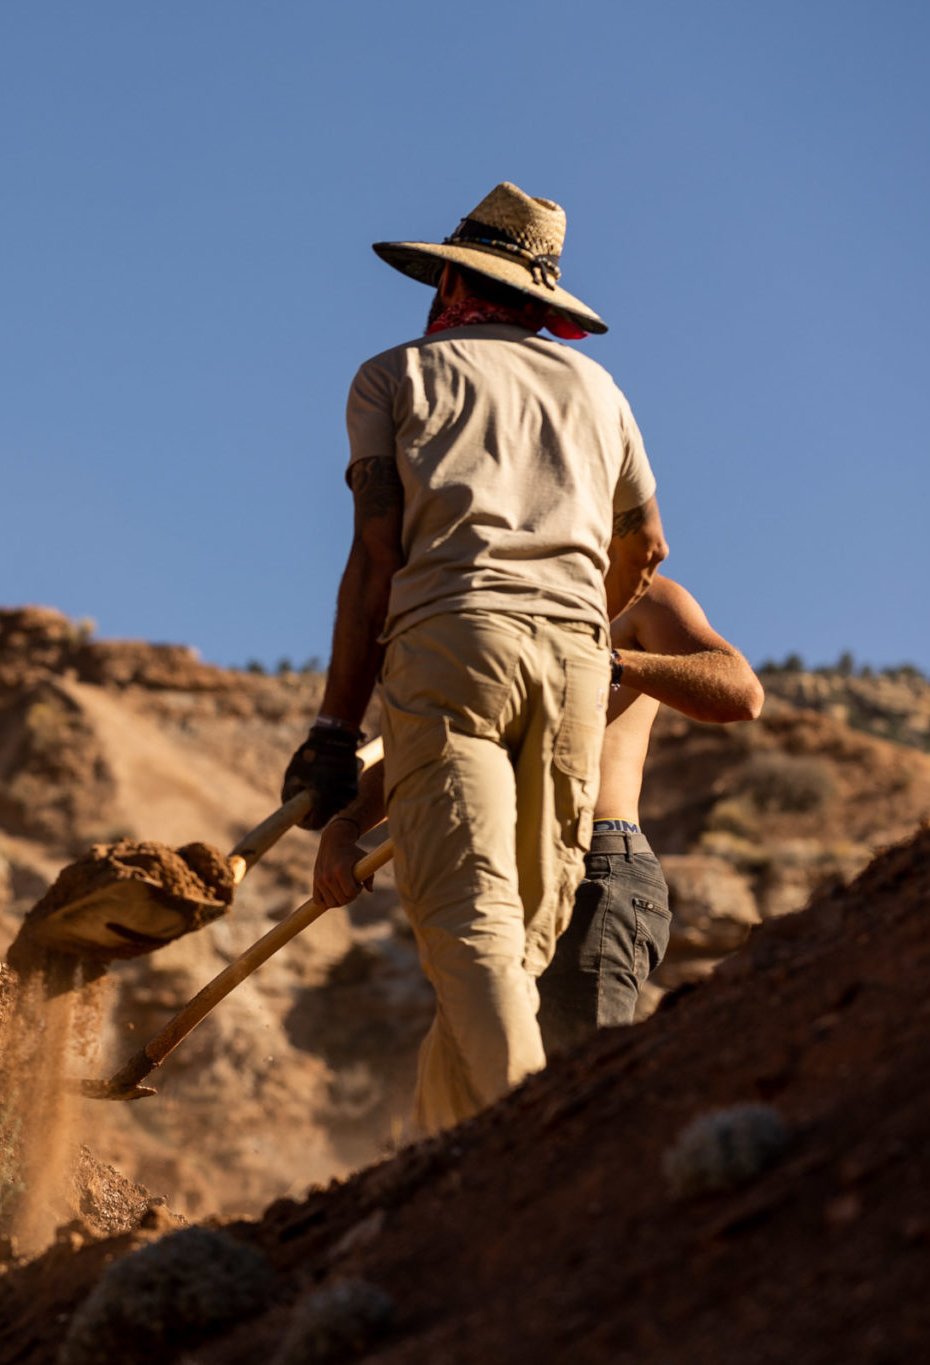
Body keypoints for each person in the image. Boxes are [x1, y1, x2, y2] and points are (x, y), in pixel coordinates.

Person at [281, 183, 668, 1136]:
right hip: (577, 663)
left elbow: (378, 556)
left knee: (473, 929)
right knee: (520, 940)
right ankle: (445, 1169)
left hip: (453, 642)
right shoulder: (600, 392)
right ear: (541, 302)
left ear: (452, 275)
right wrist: (584, 616)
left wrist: (336, 729)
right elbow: (648, 544)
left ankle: (527, 1151)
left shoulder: (394, 378)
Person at [313, 575, 764, 1060]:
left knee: (574, 1087)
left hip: (593, 869)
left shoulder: (638, 596)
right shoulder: (485, 609)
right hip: (499, 888)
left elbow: (740, 693)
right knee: (503, 1090)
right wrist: (345, 828)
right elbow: (421, 744)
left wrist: (607, 662)